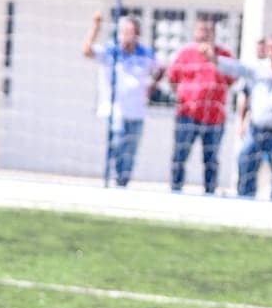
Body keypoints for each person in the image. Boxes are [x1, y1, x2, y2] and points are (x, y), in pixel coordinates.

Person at [213, 33, 272, 201]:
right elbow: (237, 68)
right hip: (257, 127)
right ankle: (245, 199)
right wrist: (214, 59)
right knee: (245, 158)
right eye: (270, 48)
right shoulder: (259, 68)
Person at [80, 11, 162, 188]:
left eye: (130, 32)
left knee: (130, 152)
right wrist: (95, 27)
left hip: (136, 111)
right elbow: (86, 51)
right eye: (124, 31)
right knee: (116, 145)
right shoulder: (111, 50)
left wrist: (151, 86)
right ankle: (109, 181)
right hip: (115, 110)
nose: (126, 36)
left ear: (137, 34)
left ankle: (122, 184)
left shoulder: (145, 54)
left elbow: (161, 68)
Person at [165, 19, 234, 194]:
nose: (204, 34)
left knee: (211, 159)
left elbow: (233, 78)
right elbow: (172, 78)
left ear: (214, 34)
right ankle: (175, 190)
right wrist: (187, 96)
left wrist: (213, 59)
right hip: (187, 115)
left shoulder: (223, 55)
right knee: (180, 155)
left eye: (208, 30)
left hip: (214, 118)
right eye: (201, 30)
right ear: (195, 32)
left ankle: (210, 192)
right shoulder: (185, 53)